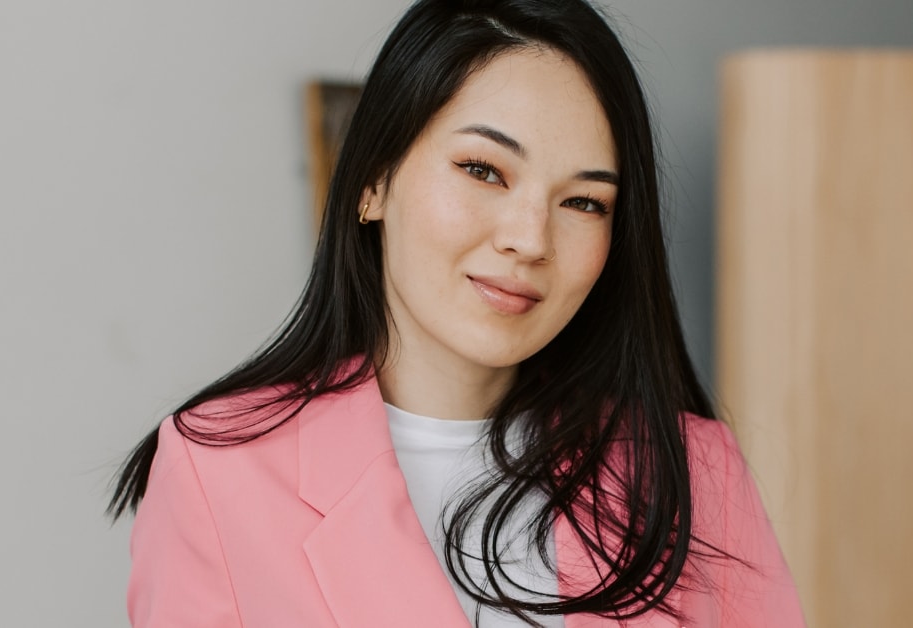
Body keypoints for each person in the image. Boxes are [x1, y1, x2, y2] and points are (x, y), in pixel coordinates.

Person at [110, 0, 806, 626]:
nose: (529, 239)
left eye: (584, 202)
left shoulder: (692, 471)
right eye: (483, 170)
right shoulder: (219, 471)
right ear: (373, 182)